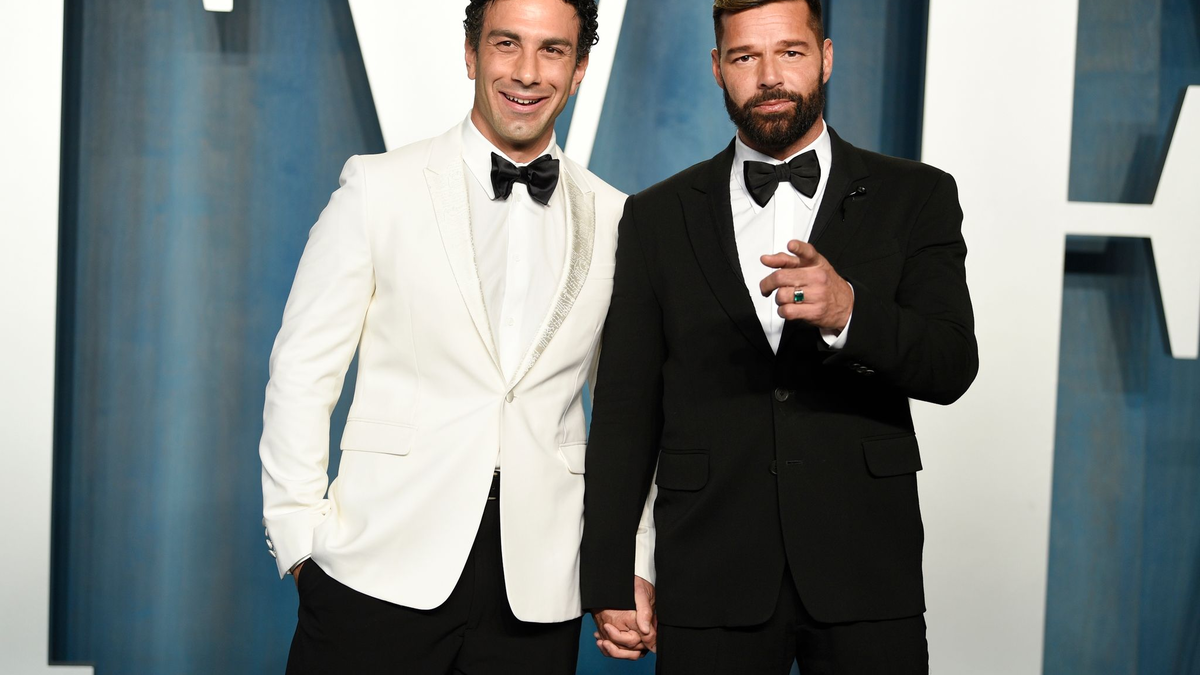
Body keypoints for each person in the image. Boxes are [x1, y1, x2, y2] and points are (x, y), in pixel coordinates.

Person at [581, 0, 979, 672]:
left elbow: (951, 364)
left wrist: (850, 312)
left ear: (825, 57)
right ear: (716, 68)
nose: (769, 75)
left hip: (866, 566)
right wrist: (615, 569)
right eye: (745, 57)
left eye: (790, 52)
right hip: (707, 571)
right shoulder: (654, 217)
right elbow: (625, 411)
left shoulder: (917, 196)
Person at [259, 1, 652, 672]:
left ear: (580, 67)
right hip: (375, 567)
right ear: (471, 54)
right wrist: (300, 540)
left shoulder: (619, 218)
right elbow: (302, 370)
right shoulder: (377, 188)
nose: (527, 72)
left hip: (538, 586)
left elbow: (633, 412)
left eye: (552, 50)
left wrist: (632, 561)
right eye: (507, 44)